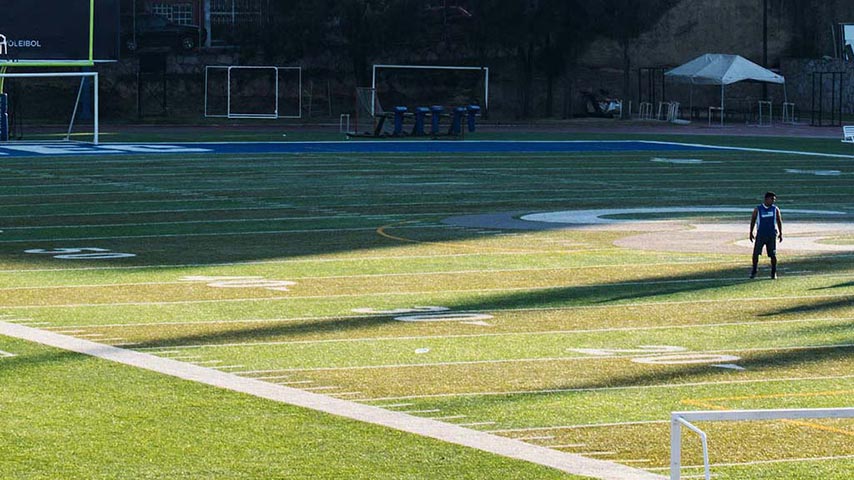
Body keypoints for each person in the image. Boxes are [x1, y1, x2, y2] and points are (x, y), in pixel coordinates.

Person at [749, 191, 783, 279]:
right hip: (761, 235)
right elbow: (753, 220)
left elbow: (779, 221)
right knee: (756, 253)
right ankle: (754, 270)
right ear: (766, 199)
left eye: (774, 199)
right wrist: (751, 232)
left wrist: (781, 233)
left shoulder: (775, 209)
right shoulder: (758, 209)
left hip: (771, 235)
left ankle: (773, 272)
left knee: (773, 254)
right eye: (772, 199)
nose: (773, 201)